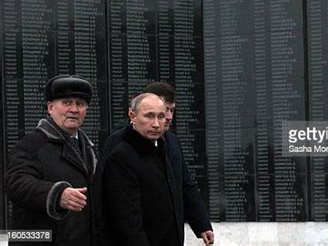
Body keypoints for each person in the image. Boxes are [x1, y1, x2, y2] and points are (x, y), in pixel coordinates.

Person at [102, 93, 213, 245]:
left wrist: (201, 223)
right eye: (149, 116)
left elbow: (185, 187)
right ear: (132, 116)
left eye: (161, 117)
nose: (156, 124)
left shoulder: (164, 147)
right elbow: (127, 220)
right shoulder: (121, 156)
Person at [4, 75, 97, 246]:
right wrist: (56, 194)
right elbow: (15, 183)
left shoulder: (89, 149)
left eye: (80, 104)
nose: (74, 109)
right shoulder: (32, 144)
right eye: (67, 103)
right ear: (50, 107)